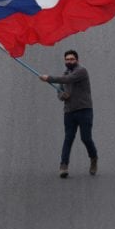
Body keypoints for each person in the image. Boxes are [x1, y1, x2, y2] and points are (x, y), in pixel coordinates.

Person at [39, 49, 98, 178]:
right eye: (67, 59)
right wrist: (62, 96)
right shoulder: (65, 74)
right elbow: (59, 91)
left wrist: (49, 78)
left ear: (77, 60)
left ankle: (93, 158)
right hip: (69, 112)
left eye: (72, 59)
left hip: (84, 110)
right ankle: (63, 166)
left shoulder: (81, 71)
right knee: (68, 138)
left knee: (86, 138)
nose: (69, 61)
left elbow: (68, 80)